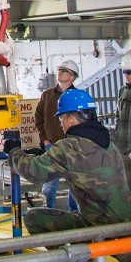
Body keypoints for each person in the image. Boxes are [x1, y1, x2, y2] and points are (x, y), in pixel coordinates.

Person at [4, 88, 131, 262]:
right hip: (127, 224)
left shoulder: (69, 147)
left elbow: (34, 172)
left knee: (33, 218)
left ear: (72, 118)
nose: (61, 124)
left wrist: (14, 152)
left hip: (98, 227)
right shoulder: (109, 143)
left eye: (62, 118)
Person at [35, 61, 80, 211]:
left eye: (65, 70)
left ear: (72, 77)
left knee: (75, 185)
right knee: (48, 186)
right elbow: (38, 118)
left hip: (73, 147)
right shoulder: (47, 95)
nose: (60, 72)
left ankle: (74, 215)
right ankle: (48, 215)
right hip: (52, 146)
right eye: (60, 69)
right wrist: (45, 140)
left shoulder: (78, 97)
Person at [112, 65, 131, 191]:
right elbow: (118, 119)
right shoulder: (122, 91)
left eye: (129, 72)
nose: (126, 74)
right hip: (123, 149)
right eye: (124, 72)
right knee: (126, 189)